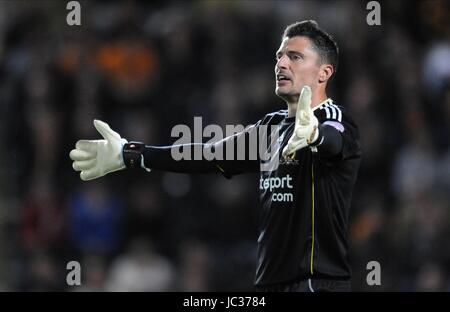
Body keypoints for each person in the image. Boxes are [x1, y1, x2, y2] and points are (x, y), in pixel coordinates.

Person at [69, 20, 361, 292]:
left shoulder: (332, 118)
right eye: (280, 56)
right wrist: (130, 154)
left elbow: (336, 139)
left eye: (295, 57)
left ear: (324, 72)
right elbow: (205, 156)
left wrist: (315, 136)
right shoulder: (271, 127)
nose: (282, 63)